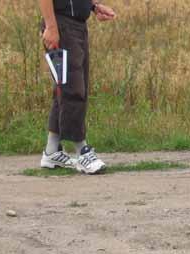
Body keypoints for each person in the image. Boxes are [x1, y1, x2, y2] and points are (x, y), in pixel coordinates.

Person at [38, 0, 116, 173]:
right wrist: (51, 27)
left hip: (77, 26)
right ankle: (82, 151)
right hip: (61, 26)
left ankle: (51, 152)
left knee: (65, 86)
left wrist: (93, 6)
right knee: (73, 89)